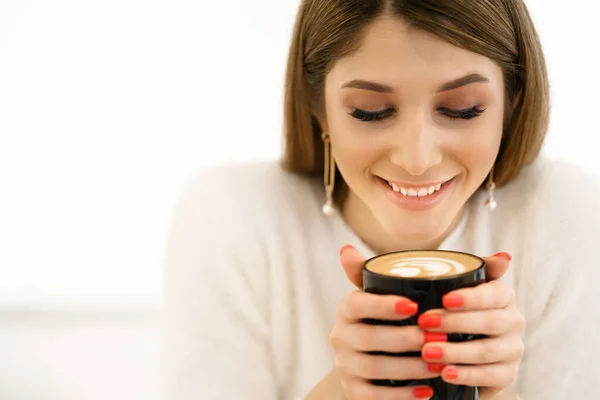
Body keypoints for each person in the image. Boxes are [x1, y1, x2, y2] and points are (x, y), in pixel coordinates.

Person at [160, 1, 600, 399]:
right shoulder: (230, 218)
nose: (416, 159)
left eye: (463, 109)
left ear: (511, 103)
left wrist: (492, 392)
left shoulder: (563, 213)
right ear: (320, 112)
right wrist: (342, 390)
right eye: (370, 111)